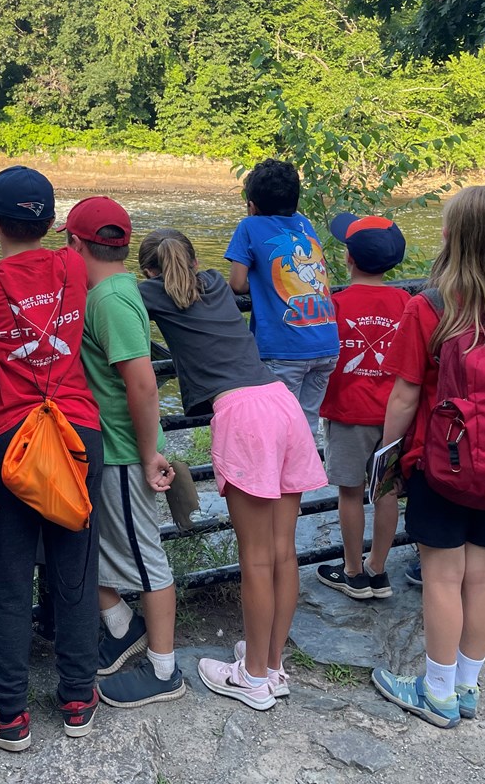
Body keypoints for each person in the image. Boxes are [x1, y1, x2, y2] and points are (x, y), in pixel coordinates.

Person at [371, 186, 485, 728]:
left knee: (444, 579)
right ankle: (467, 688)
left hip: (441, 462)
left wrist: (388, 458)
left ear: (452, 238)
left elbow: (404, 394)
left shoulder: (429, 307)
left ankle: (438, 692)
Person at [0, 166, 104, 748]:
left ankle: (7, 713)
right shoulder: (73, 267)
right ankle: (79, 697)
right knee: (77, 569)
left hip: (14, 439)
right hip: (81, 433)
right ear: (53, 223)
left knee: (9, 579)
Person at [137, 229, 326, 711]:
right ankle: (272, 664)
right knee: (283, 553)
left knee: (256, 559)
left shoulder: (148, 293)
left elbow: (109, 293)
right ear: (195, 258)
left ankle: (253, 678)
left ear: (149, 271)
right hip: (280, 404)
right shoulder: (218, 283)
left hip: (243, 417)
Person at [62, 199, 185, 708]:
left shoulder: (109, 299)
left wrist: (147, 452)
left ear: (73, 244)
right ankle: (121, 629)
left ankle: (164, 671)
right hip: (110, 449)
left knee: (146, 558)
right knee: (93, 551)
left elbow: (142, 384)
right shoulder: (110, 290)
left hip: (121, 452)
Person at [315, 214, 410, 601]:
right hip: (394, 417)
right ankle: (378, 569)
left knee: (351, 493)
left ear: (348, 259)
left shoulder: (334, 304)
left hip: (348, 413)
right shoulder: (407, 301)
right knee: (386, 491)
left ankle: (353, 571)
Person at [225, 158, 339, 436]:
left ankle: (281, 480)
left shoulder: (249, 227)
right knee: (306, 427)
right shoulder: (304, 224)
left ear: (252, 205)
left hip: (285, 348)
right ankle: (307, 479)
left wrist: (263, 283)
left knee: (276, 429)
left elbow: (237, 284)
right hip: (326, 343)